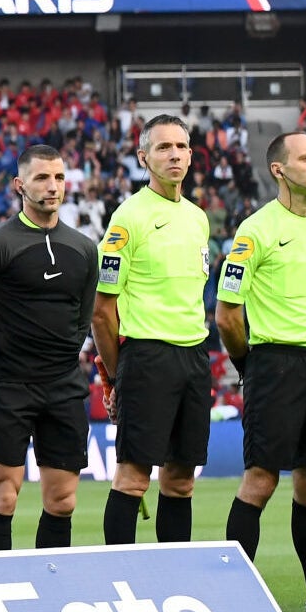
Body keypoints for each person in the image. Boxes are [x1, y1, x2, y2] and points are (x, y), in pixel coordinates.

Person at [215, 132, 306, 612]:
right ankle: (233, 598)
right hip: (272, 363)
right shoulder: (255, 230)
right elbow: (227, 314)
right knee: (261, 480)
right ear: (279, 169)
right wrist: (250, 365)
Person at [0, 145, 98, 551]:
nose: (53, 186)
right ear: (20, 185)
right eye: (42, 178)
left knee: (63, 501)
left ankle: (51, 585)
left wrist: (63, 360)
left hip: (64, 386)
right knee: (4, 496)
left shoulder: (84, 248)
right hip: (12, 384)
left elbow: (83, 319)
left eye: (59, 178)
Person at [94, 115, 210, 545]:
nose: (174, 154)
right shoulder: (129, 217)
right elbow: (101, 311)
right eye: (163, 147)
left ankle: (172, 576)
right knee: (132, 478)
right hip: (147, 357)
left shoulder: (198, 217)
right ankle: (121, 574)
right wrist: (117, 375)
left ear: (191, 155)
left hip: (194, 355)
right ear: (143, 158)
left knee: (181, 481)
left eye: (180, 146)